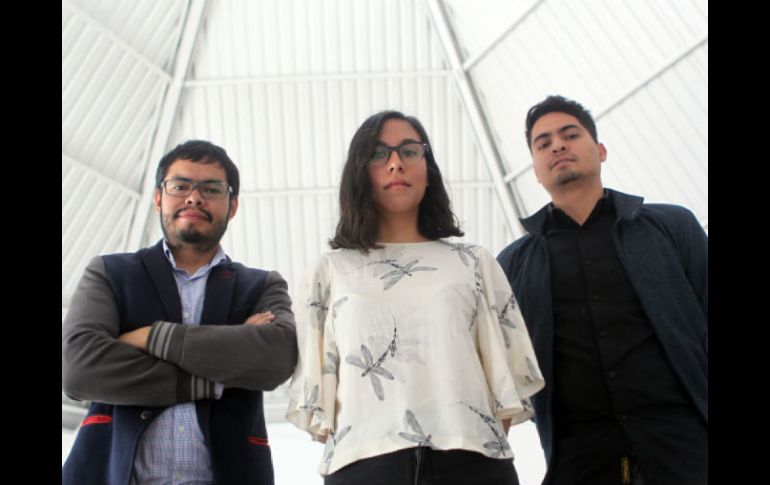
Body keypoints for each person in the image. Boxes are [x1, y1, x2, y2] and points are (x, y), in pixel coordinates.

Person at [286, 110, 544, 485]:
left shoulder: (474, 262)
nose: (396, 163)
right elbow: (316, 401)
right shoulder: (329, 271)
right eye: (379, 154)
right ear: (359, 172)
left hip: (472, 463)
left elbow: (506, 383)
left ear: (428, 168)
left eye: (409, 150)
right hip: (363, 466)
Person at [497, 95, 708, 485]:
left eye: (570, 135)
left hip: (687, 452)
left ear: (601, 150)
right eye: (543, 143)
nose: (557, 146)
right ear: (536, 171)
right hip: (579, 463)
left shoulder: (672, 228)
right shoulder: (511, 266)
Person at [62, 139, 298, 485]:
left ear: (232, 205)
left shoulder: (261, 286)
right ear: (158, 198)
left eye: (211, 189)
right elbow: (78, 369)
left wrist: (150, 337)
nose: (194, 198)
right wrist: (221, 370)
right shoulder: (110, 273)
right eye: (180, 186)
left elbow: (277, 360)